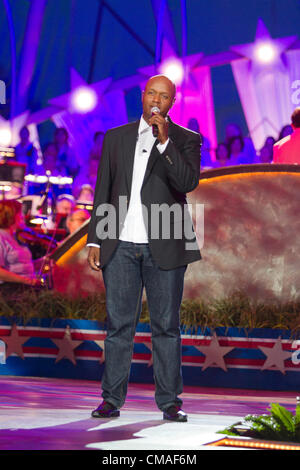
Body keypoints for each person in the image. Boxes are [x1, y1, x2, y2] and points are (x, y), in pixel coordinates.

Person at [87, 74, 201, 422]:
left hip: (165, 242)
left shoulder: (185, 139)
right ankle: (111, 399)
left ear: (171, 103)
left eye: (164, 96)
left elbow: (187, 183)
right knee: (120, 324)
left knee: (166, 325)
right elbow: (104, 188)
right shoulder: (116, 137)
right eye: (152, 93)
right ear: (142, 96)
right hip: (119, 244)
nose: (156, 100)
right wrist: (95, 238)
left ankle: (170, 402)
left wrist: (165, 143)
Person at [0, 200, 42, 291]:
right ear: (10, 215)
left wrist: (41, 262)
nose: (23, 217)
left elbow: (21, 266)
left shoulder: (16, 236)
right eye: (20, 213)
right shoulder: (1, 237)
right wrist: (25, 281)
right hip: (9, 291)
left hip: (24, 289)